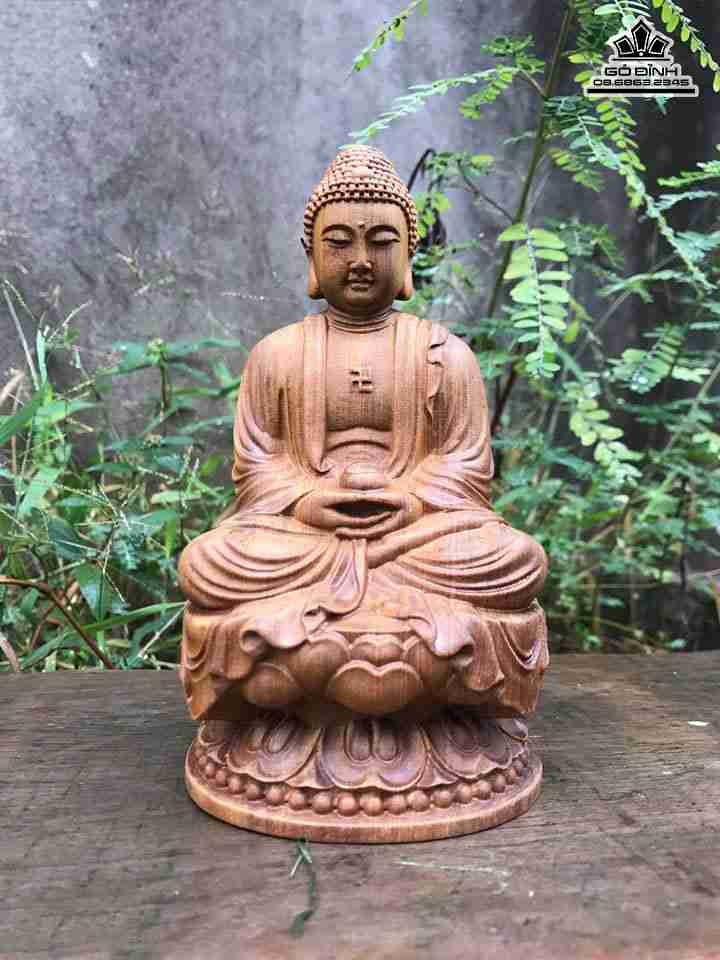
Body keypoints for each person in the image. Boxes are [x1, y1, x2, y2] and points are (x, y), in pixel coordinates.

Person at [177, 145, 548, 724]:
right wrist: (308, 502)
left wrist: (410, 501)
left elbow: (466, 465)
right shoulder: (276, 354)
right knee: (208, 561)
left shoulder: (446, 354)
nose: (360, 260)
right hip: (306, 534)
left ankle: (329, 636)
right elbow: (257, 465)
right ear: (312, 255)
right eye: (339, 242)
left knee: (516, 559)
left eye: (380, 242)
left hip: (414, 533)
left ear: (407, 257)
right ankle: (396, 629)